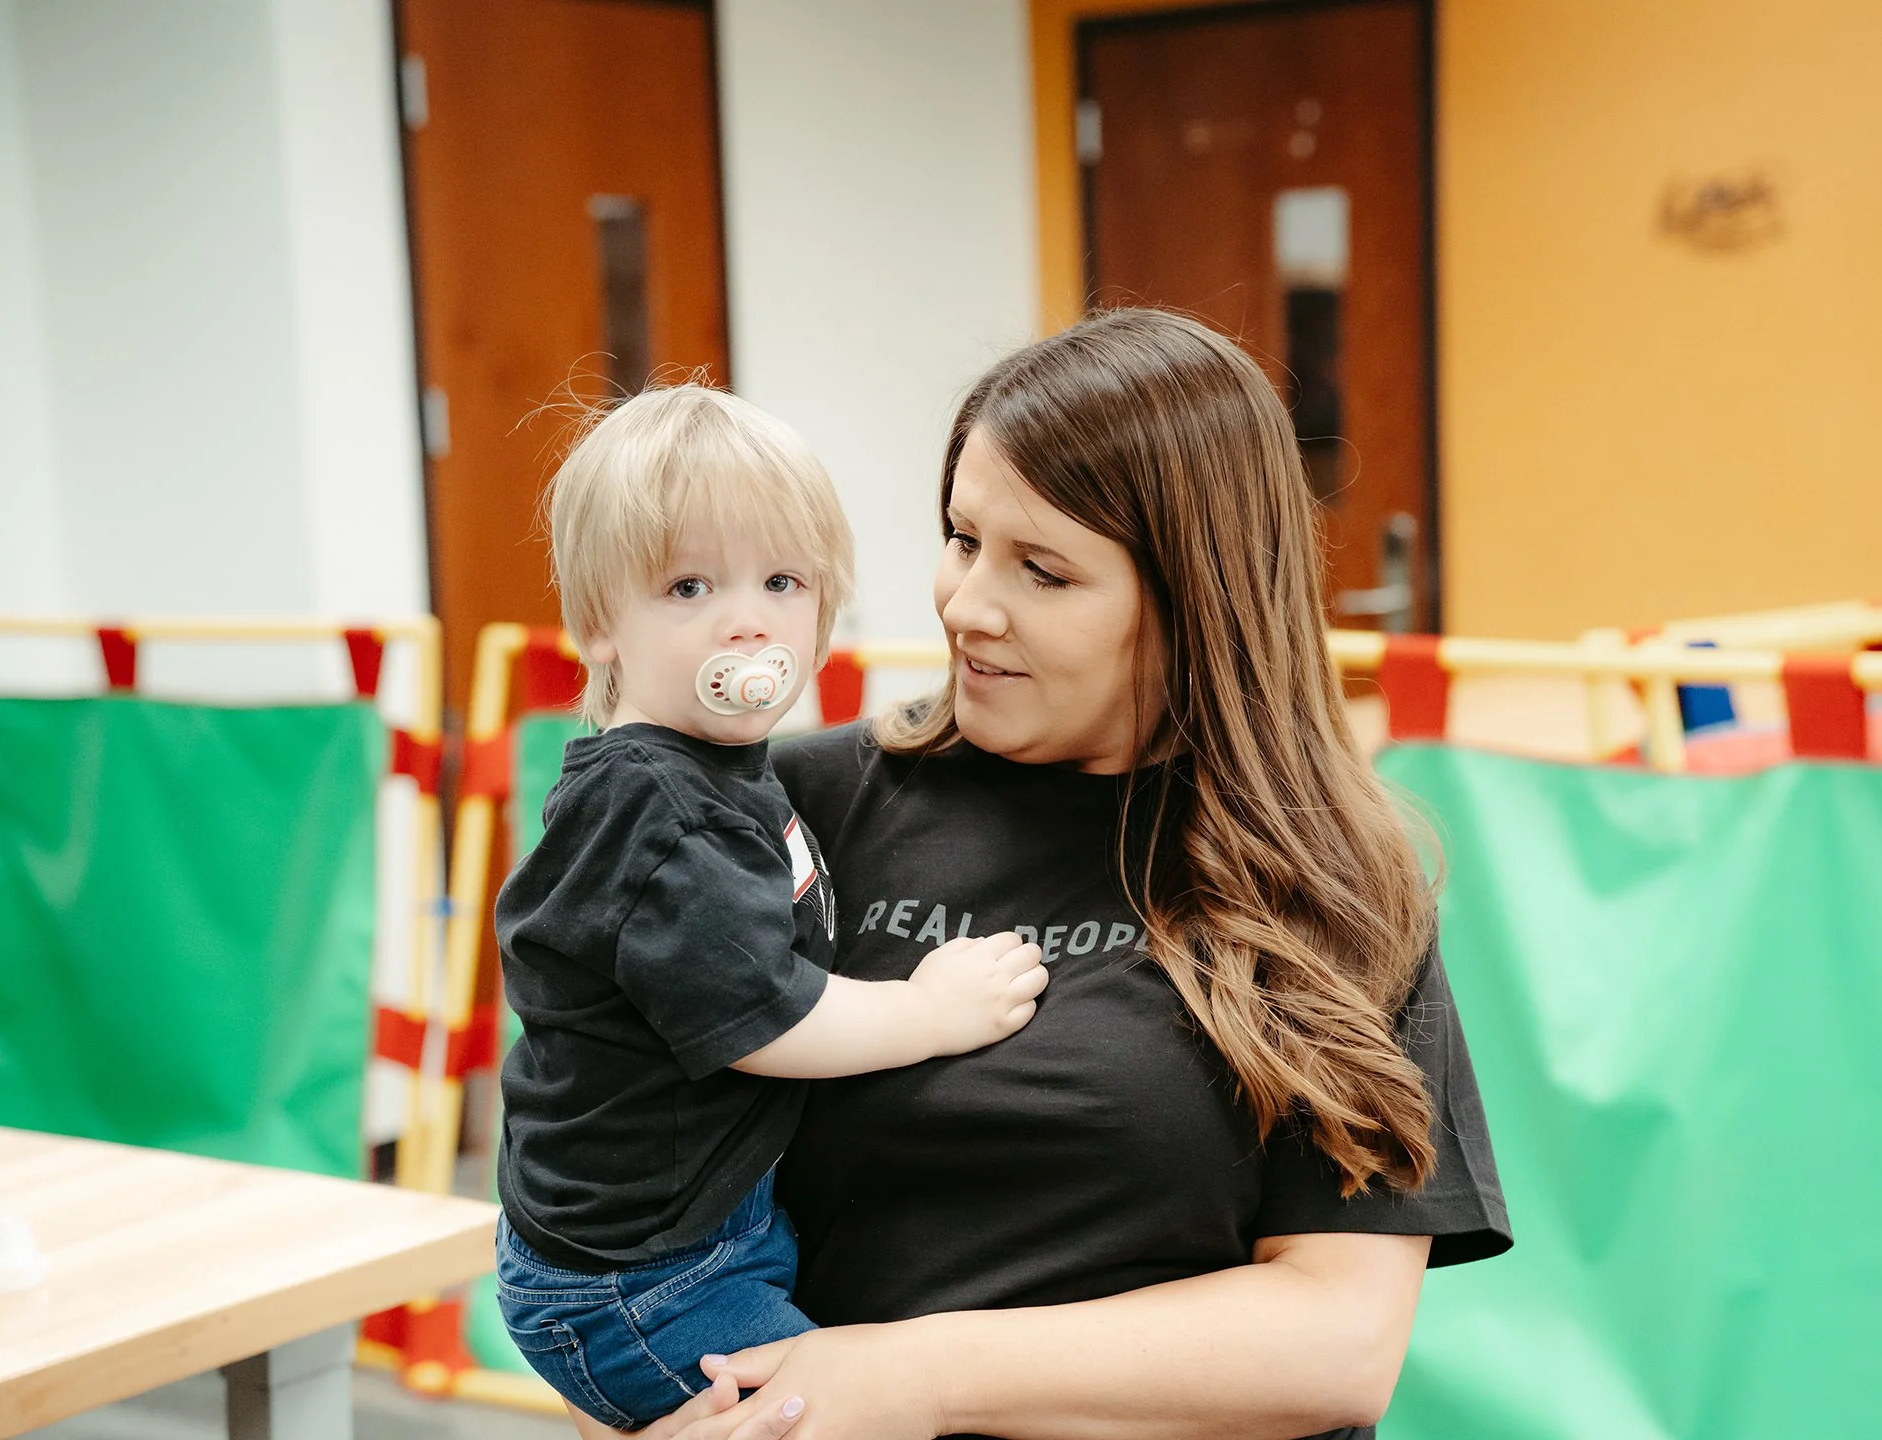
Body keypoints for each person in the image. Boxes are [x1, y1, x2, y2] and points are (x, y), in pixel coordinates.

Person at [619, 310, 1511, 1440]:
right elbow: (612, 1155)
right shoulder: (794, 811)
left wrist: (919, 1376)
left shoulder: (1325, 879)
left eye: (1043, 571)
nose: (967, 606)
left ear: (1198, 600)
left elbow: (1336, 1339)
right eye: (961, 538)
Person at [493, 384, 1050, 1431]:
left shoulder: (722, 770)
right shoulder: (655, 809)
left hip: (690, 1238)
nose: (746, 619)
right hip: (643, 1278)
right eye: (689, 585)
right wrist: (931, 1013)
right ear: (597, 625)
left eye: (782, 581)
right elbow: (769, 1018)